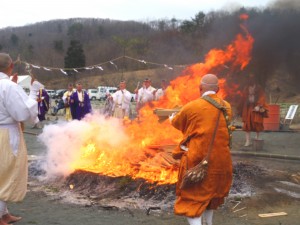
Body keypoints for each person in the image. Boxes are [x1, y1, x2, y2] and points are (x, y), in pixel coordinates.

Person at [170, 74, 232, 225]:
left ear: (200, 88)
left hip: (198, 161)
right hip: (221, 162)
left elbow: (179, 124)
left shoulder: (192, 106)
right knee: (212, 197)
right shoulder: (227, 106)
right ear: (218, 89)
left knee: (192, 200)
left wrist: (172, 118)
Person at [0, 53, 38, 225]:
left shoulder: (9, 86)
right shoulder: (8, 86)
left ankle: (3, 213)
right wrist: (34, 91)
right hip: (6, 134)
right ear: (11, 67)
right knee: (8, 172)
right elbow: (22, 113)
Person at [241, 73, 268, 147]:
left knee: (257, 123)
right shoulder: (246, 88)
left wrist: (259, 106)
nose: (251, 80)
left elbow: (262, 97)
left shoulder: (259, 88)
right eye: (249, 78)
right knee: (247, 124)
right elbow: (243, 98)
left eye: (252, 78)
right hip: (248, 108)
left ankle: (257, 138)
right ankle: (248, 141)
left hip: (256, 108)